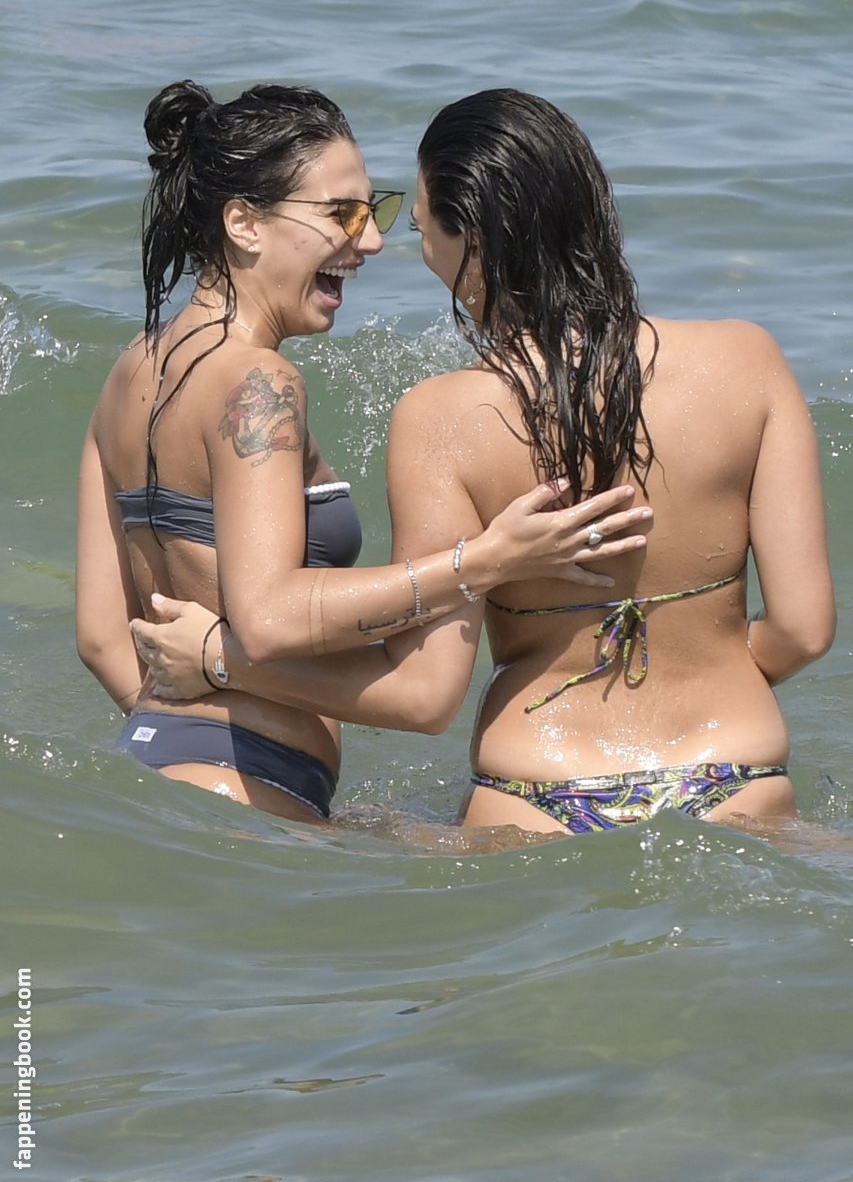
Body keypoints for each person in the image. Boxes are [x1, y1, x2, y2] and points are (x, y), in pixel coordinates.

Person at [131, 87, 836, 837]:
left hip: (535, 792)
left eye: (420, 225)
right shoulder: (749, 362)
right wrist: (702, 673)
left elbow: (425, 688)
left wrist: (220, 661)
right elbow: (802, 630)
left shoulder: (441, 417)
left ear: (469, 237)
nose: (394, 245)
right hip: (736, 775)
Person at [76, 80, 651, 826]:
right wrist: (484, 561)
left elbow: (101, 635)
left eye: (371, 211)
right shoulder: (258, 382)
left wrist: (181, 734)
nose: (371, 240)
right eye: (340, 214)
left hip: (154, 752)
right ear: (244, 223)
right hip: (243, 781)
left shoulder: (132, 369)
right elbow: (268, 618)